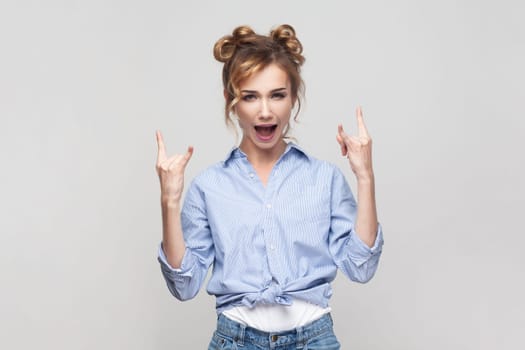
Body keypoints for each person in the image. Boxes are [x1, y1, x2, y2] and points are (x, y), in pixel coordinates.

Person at [155, 24, 384, 350]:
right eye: (250, 97)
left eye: (277, 95)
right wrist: (169, 201)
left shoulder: (325, 178)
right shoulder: (209, 186)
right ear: (231, 101)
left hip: (313, 339)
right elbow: (184, 285)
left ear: (293, 98)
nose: (265, 111)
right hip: (236, 340)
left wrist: (365, 176)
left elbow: (361, 267)